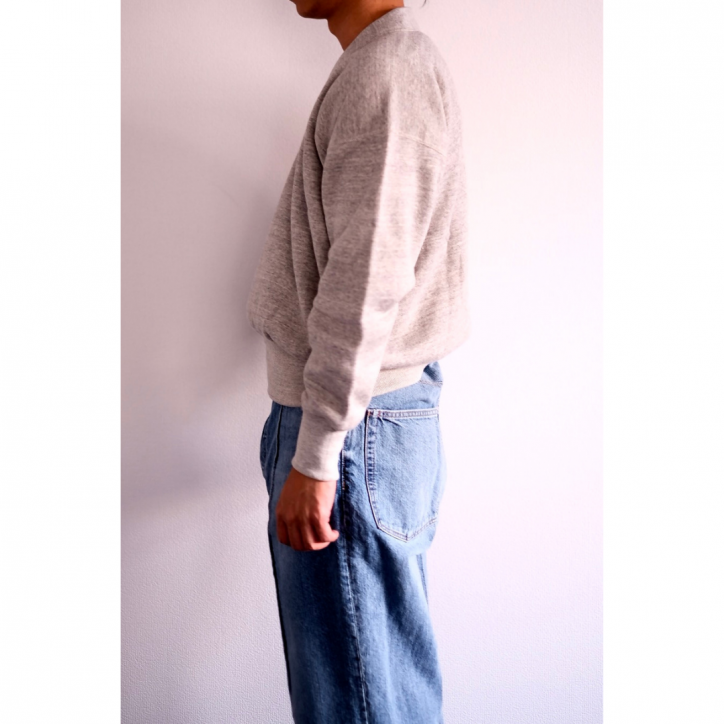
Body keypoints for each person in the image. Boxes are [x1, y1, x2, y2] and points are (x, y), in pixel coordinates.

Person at [246, 2, 470, 721]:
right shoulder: (387, 67)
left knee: (356, 702)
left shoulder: (385, 75)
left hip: (351, 433)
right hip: (367, 425)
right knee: (375, 688)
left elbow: (364, 284)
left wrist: (316, 459)